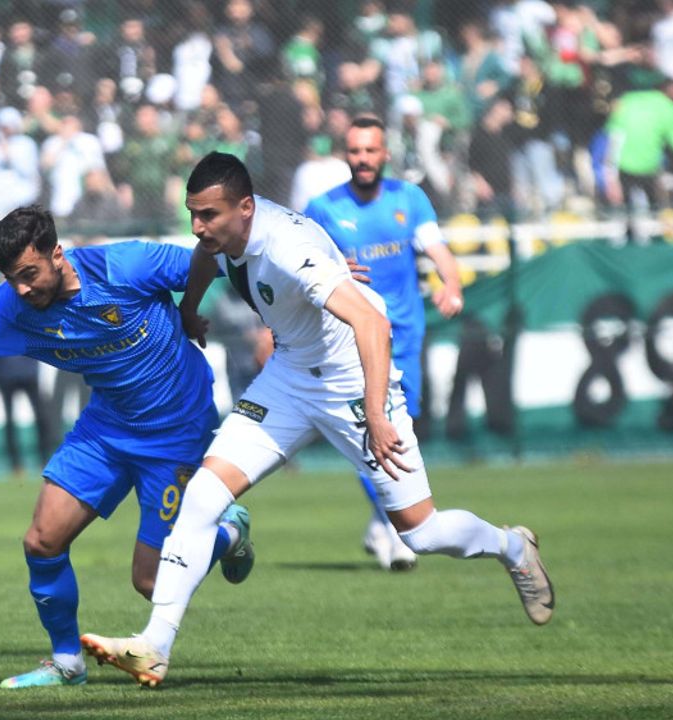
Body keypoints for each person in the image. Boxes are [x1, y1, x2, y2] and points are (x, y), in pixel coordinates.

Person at [82, 153, 554, 687]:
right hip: (289, 378)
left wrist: (375, 412)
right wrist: (189, 310)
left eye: (208, 215)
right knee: (203, 496)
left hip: (352, 379)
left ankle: (513, 547)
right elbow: (204, 258)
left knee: (421, 532)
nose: (198, 226)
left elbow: (371, 323)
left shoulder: (286, 247)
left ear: (245, 207)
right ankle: (154, 646)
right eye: (193, 213)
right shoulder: (225, 235)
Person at [0, 205, 255, 689]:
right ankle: (67, 661)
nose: (21, 289)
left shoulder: (125, 266)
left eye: (29, 274)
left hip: (175, 431)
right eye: (11, 279)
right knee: (42, 541)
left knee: (151, 582)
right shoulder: (9, 307)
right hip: (106, 426)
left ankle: (227, 535)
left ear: (57, 254)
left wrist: (293, 291)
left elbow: (218, 257)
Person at [303, 116, 464, 571]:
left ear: (385, 154)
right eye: (355, 151)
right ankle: (399, 529)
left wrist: (451, 285)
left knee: (401, 430)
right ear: (345, 155)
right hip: (352, 337)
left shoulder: (409, 199)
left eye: (370, 150)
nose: (363, 159)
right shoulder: (322, 208)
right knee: (370, 431)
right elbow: (299, 267)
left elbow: (437, 248)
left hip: (405, 336)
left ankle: (382, 523)